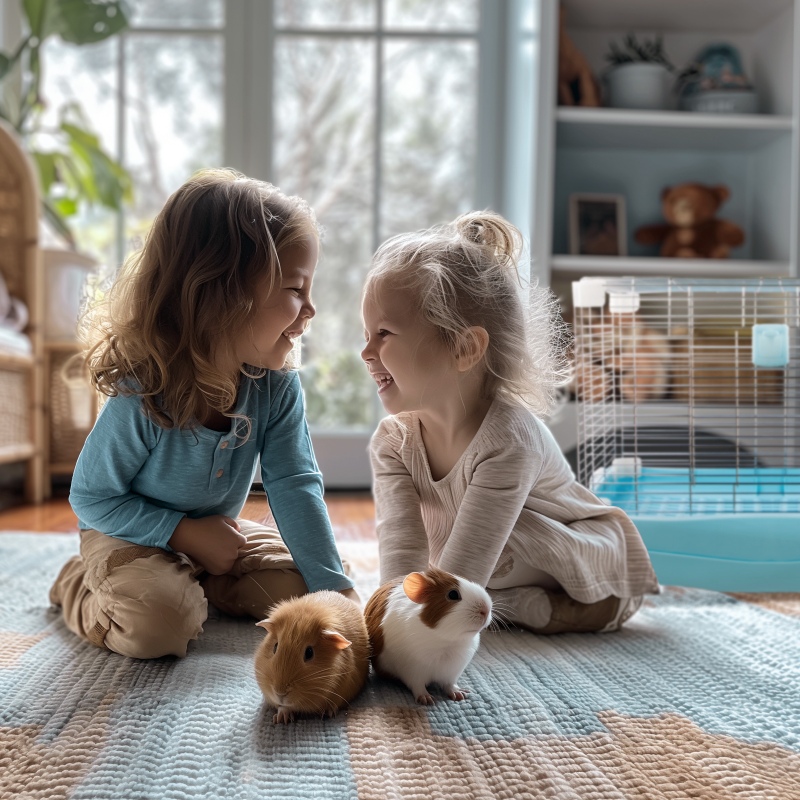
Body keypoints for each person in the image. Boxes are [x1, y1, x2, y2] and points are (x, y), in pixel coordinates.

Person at [49, 168, 357, 660]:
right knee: (158, 630)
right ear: (225, 293)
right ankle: (80, 585)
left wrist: (335, 593)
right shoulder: (144, 389)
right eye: (296, 289)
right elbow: (92, 496)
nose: (311, 309)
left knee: (308, 585)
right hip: (126, 531)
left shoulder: (275, 386)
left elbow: (294, 482)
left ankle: (199, 583)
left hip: (214, 539)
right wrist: (183, 533)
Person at [361, 211, 659, 634]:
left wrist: (415, 634)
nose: (366, 352)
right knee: (446, 566)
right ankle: (516, 607)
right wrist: (384, 625)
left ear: (464, 348)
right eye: (366, 334)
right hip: (497, 568)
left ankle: (567, 609)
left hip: (588, 563)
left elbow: (459, 576)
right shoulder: (393, 441)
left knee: (488, 552)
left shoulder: (508, 439)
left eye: (385, 333)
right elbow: (400, 548)